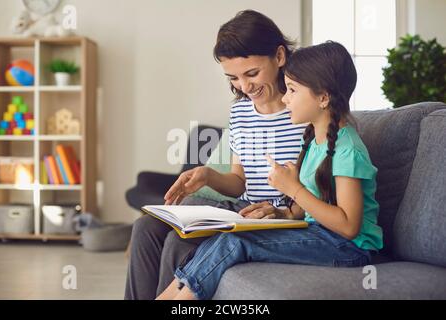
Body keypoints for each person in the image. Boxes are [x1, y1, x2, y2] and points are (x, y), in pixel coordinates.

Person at [156, 41, 384, 300]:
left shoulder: (347, 150)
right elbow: (306, 210)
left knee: (236, 243)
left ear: (323, 97)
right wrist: (284, 212)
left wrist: (293, 189)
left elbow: (348, 226)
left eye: (292, 90)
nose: (285, 98)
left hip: (348, 249)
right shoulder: (312, 141)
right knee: (226, 237)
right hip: (319, 234)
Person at [125, 10, 306, 300]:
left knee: (177, 243)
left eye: (252, 73)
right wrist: (207, 175)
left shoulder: (305, 110)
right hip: (242, 208)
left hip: (276, 218)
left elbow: (317, 186)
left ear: (280, 56)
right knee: (145, 227)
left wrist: (285, 210)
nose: (244, 87)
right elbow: (239, 181)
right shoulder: (240, 111)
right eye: (233, 78)